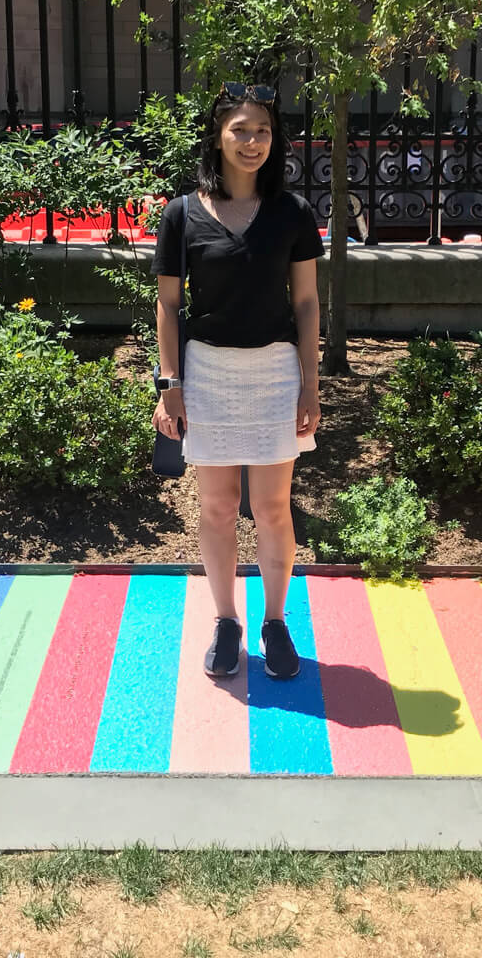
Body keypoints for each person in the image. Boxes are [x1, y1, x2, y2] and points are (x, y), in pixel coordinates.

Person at [150, 81, 325, 680]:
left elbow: (305, 304)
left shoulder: (293, 214)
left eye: (263, 132)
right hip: (208, 373)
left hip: (275, 373)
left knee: (274, 508)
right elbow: (168, 306)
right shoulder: (182, 213)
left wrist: (310, 382)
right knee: (219, 506)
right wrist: (168, 383)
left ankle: (275, 622)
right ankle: (227, 622)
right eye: (240, 131)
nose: (252, 142)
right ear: (218, 136)